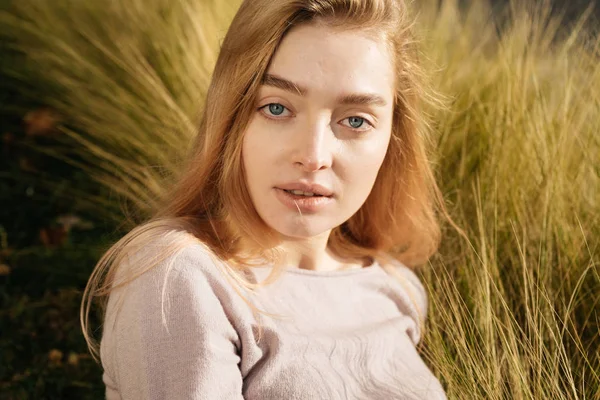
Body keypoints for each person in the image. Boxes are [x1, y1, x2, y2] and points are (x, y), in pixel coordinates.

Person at [81, 0, 451, 398]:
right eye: (276, 108)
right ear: (231, 117)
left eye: (356, 120)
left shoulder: (397, 287)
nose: (313, 156)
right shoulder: (183, 276)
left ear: (393, 139)